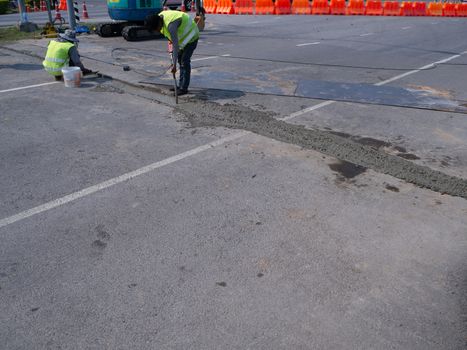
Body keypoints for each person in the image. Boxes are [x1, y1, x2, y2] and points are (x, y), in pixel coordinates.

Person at [145, 10, 199, 96]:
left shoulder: (171, 25)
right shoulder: (159, 18)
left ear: (158, 23)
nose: (157, 30)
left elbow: (176, 46)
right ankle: (181, 85)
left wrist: (174, 65)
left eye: (156, 28)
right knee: (180, 61)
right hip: (183, 40)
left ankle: (184, 88)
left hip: (191, 36)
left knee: (184, 62)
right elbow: (171, 40)